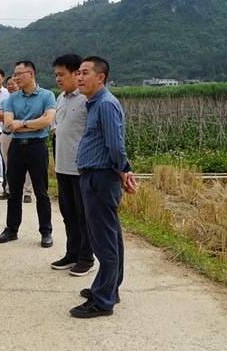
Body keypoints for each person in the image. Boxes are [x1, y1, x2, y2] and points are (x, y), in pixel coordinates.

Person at [70, 56, 137, 319]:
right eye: (78, 73)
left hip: (100, 178)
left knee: (104, 241)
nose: (79, 77)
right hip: (95, 176)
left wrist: (124, 169)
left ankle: (103, 299)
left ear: (101, 77)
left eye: (85, 73)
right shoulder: (95, 104)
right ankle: (109, 288)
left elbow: (115, 145)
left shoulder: (106, 105)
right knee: (111, 237)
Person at [0, 61, 56, 248]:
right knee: (14, 190)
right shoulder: (12, 98)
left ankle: (46, 232)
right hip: (16, 147)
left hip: (37, 147)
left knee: (41, 191)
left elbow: (47, 120)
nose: (15, 78)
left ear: (31, 74)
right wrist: (29, 123)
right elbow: (7, 123)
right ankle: (11, 229)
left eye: (19, 74)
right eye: (14, 75)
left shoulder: (47, 95)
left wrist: (22, 124)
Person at [48, 54, 94, 276]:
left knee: (84, 215)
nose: (58, 79)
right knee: (68, 213)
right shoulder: (60, 98)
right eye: (56, 75)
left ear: (76, 74)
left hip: (81, 168)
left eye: (61, 74)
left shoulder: (86, 99)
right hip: (62, 166)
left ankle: (86, 258)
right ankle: (72, 253)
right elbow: (56, 125)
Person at [0, 76, 33, 203]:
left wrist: (9, 117)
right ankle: (9, 190)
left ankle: (27, 192)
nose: (11, 86)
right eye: (9, 84)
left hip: (22, 136)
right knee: (8, 164)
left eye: (14, 84)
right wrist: (11, 118)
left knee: (27, 165)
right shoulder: (5, 101)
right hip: (6, 135)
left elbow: (21, 118)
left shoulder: (25, 100)